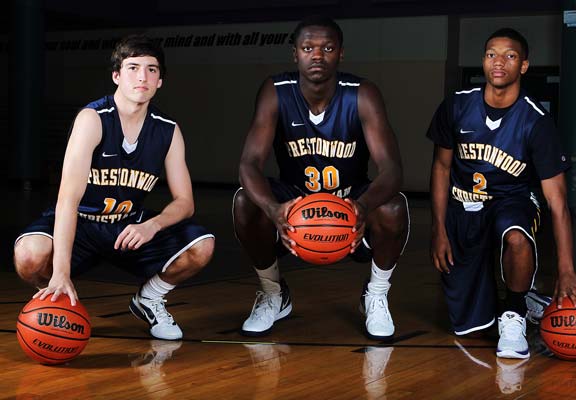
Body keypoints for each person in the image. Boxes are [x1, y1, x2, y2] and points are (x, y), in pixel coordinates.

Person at [13, 35, 215, 340]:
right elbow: (67, 198)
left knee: (202, 246)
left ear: (160, 80)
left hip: (127, 229)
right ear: (116, 75)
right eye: (133, 67)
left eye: (151, 69)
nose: (142, 77)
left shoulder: (167, 130)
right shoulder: (93, 119)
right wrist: (60, 272)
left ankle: (149, 298)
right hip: (82, 224)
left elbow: (185, 202)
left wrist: (153, 225)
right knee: (29, 254)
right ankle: (54, 297)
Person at [233, 15, 409, 339]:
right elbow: (249, 163)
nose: (317, 55)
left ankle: (376, 294)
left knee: (395, 207)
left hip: (350, 200)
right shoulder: (276, 92)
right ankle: (274, 293)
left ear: (340, 53)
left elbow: (392, 169)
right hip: (294, 204)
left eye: (327, 48)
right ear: (295, 53)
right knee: (245, 202)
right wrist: (273, 209)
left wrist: (364, 207)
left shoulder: (362, 93)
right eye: (308, 47)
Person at [427, 28, 576, 359]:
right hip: (464, 207)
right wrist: (438, 228)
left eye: (510, 56)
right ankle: (528, 299)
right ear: (483, 61)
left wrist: (566, 268)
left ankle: (516, 312)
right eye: (491, 54)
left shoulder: (536, 121)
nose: (499, 63)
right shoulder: (457, 106)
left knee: (516, 235)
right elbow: (441, 169)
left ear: (524, 66)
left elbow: (557, 202)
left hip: (512, 201)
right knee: (469, 327)